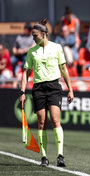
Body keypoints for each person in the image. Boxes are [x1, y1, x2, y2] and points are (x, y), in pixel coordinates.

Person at [19, 19, 74, 167]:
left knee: (55, 120)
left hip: (54, 87)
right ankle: (44, 157)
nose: (33, 38)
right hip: (38, 88)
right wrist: (22, 91)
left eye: (35, 35)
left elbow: (64, 69)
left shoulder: (57, 48)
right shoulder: (32, 51)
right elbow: (26, 73)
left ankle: (60, 156)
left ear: (44, 34)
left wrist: (70, 89)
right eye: (32, 35)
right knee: (41, 122)